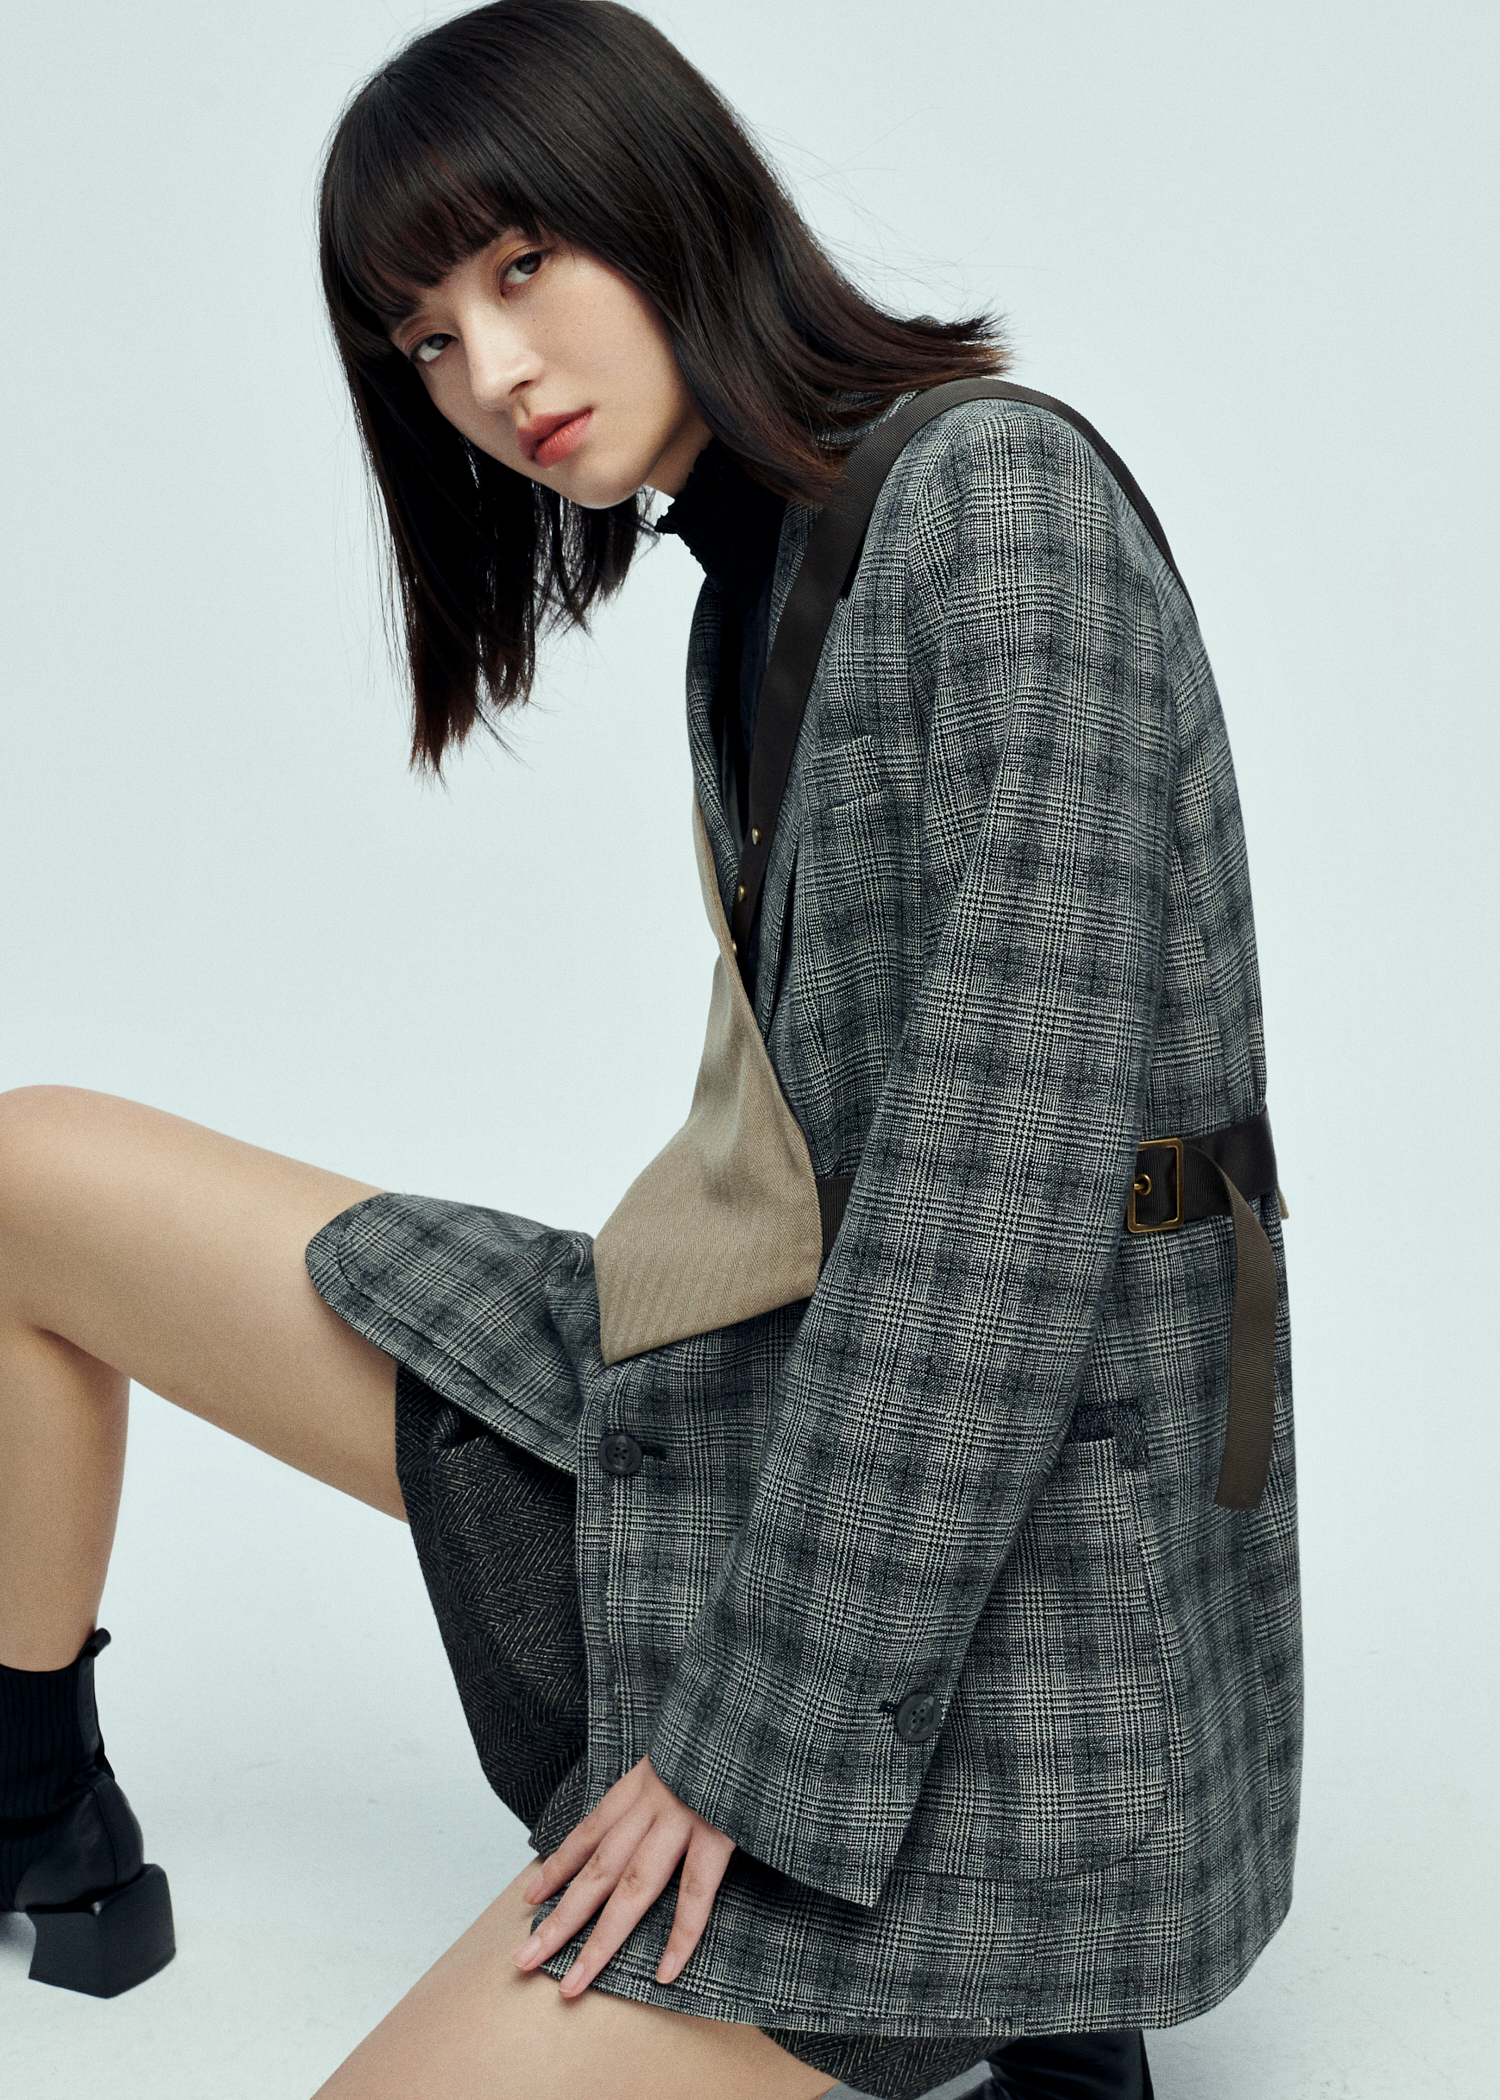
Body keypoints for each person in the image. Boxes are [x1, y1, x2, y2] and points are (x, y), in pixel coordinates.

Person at [0, 3, 1302, 2096]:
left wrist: (742, 1751)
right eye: (429, 337)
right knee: (27, 1176)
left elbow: (994, 1225)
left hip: (1007, 1634)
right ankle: (37, 1826)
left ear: (666, 197)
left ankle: (1040, 2011)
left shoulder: (995, 509)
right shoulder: (759, 578)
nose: (493, 373)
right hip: (770, 1412)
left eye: (525, 266)